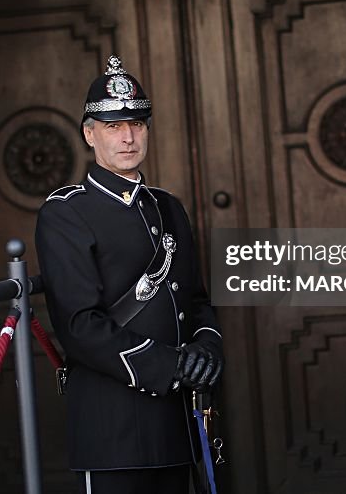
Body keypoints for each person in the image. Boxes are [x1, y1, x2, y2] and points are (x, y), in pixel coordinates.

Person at [35, 55, 224, 494]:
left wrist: (208, 349)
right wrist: (173, 366)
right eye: (113, 126)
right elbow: (80, 326)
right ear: (89, 134)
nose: (128, 137)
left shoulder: (167, 207)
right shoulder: (67, 213)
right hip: (114, 430)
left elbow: (196, 301)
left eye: (137, 124)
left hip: (177, 423)